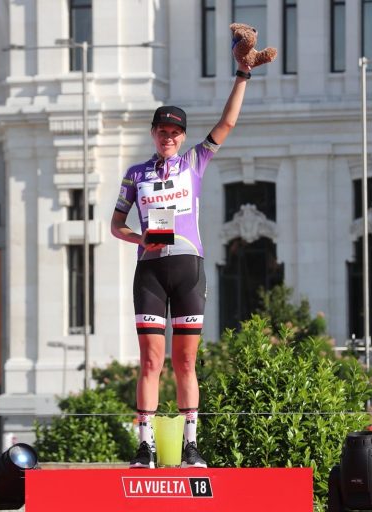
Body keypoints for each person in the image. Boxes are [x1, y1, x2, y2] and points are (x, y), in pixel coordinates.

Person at [111, 49, 256, 469]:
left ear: (182, 136)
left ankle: (192, 445)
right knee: (151, 362)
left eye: (175, 132)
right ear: (154, 133)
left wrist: (242, 75)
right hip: (151, 271)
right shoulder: (135, 174)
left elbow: (227, 123)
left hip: (188, 269)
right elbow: (116, 226)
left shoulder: (195, 161)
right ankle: (146, 447)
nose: (169, 137)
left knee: (186, 361)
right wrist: (143, 240)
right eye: (162, 131)